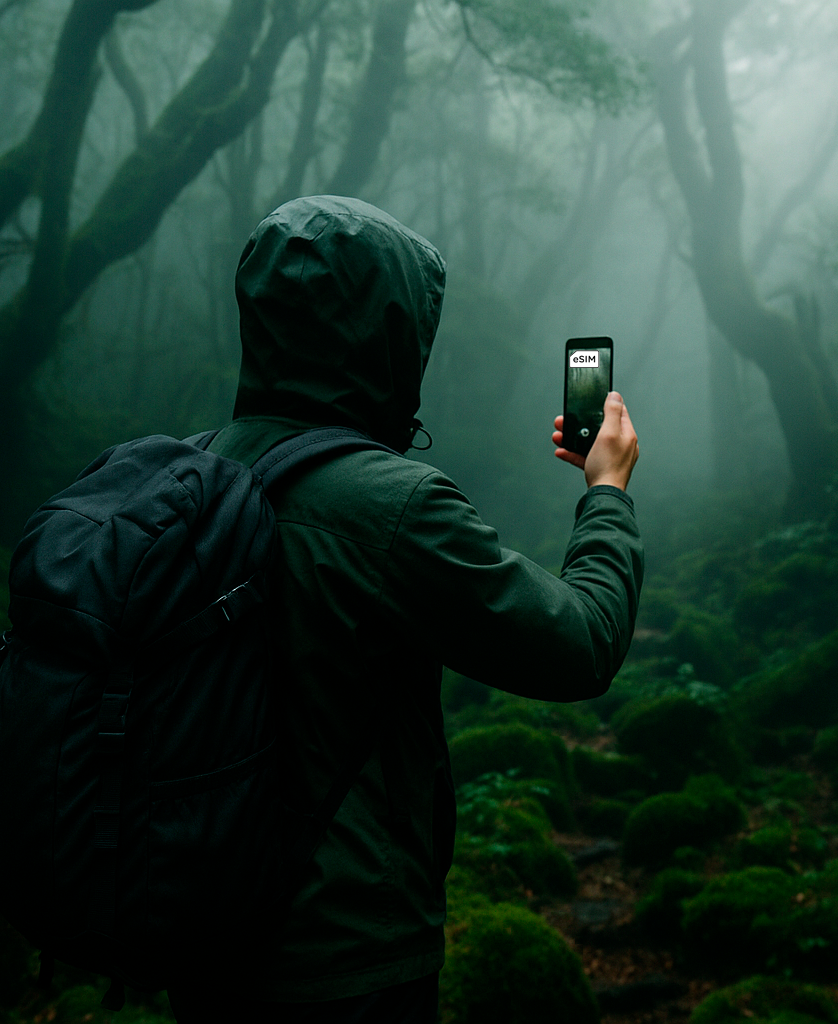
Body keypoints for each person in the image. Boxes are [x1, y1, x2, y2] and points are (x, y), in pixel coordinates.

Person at [167, 195, 643, 1022]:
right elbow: (583, 643)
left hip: (197, 932)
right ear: (392, 336)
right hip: (348, 959)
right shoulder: (391, 507)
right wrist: (606, 491)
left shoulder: (183, 477)